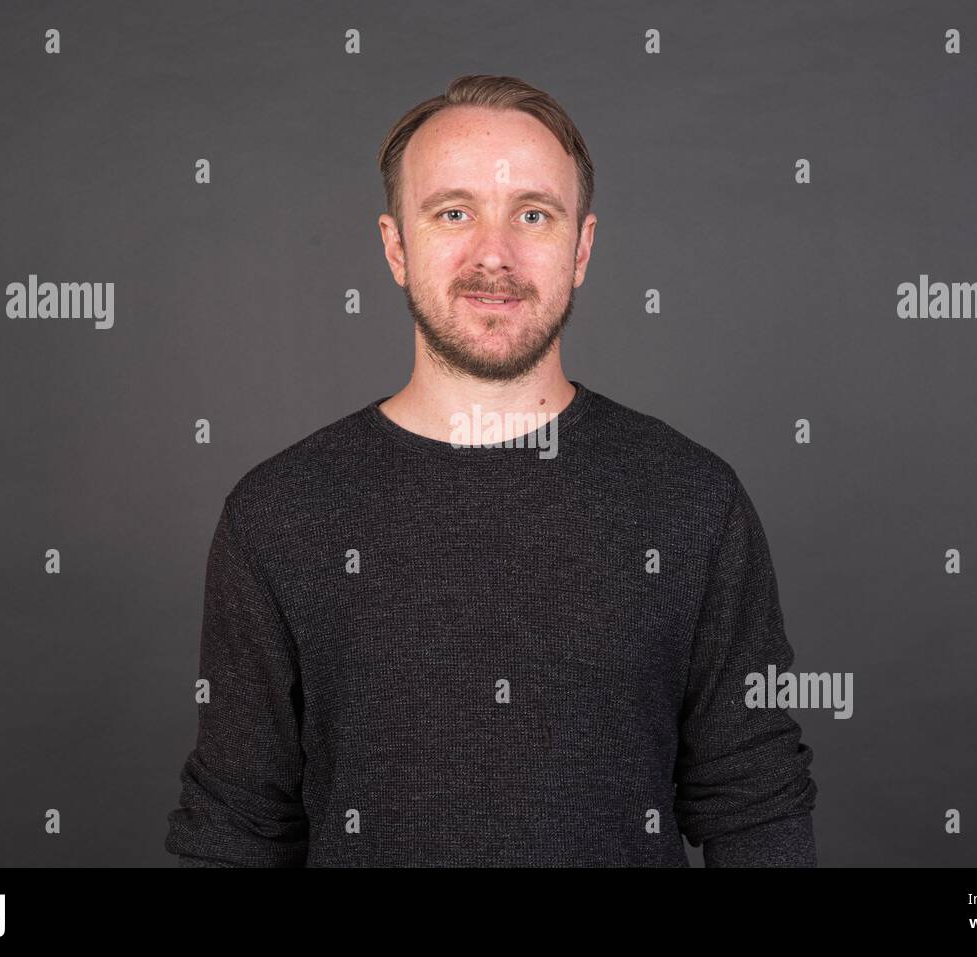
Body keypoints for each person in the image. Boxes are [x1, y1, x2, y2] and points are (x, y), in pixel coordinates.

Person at [164, 74, 817, 867]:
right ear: (396, 246)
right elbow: (235, 825)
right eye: (454, 212)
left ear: (581, 249)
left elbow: (755, 804)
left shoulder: (693, 503)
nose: (493, 255)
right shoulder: (279, 513)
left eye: (532, 215)